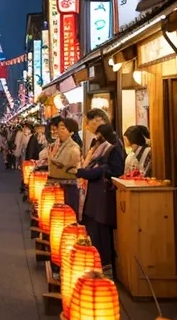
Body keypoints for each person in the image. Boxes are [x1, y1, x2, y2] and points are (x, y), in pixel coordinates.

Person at [76, 123, 125, 272]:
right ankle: (98, 263)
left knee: (101, 233)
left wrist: (97, 171)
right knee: (94, 231)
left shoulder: (112, 148)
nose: (96, 138)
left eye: (97, 135)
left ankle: (105, 265)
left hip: (102, 197)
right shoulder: (100, 147)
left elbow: (115, 171)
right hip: (94, 197)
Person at [48, 117, 82, 214]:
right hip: (57, 185)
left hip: (68, 187)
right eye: (59, 128)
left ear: (71, 132)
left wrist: (52, 158)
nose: (59, 131)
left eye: (63, 128)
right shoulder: (58, 144)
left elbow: (66, 163)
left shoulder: (73, 147)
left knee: (66, 215)